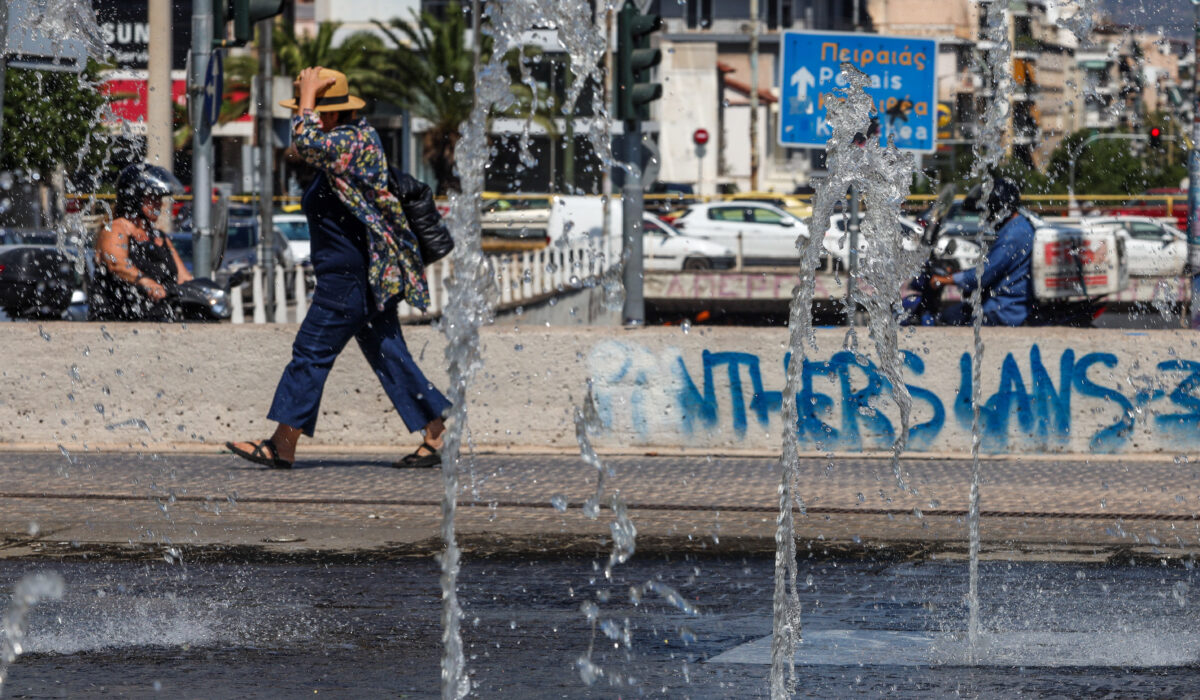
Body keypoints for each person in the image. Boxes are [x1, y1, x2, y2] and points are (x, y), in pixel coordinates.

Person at [226, 67, 450, 470]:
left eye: (309, 109)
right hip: (360, 277)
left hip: (349, 279)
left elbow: (305, 142)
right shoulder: (347, 143)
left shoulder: (351, 140)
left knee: (310, 353)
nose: (303, 114)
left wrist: (308, 94)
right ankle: (437, 434)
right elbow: (309, 146)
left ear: (329, 115)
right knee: (389, 354)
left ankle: (282, 444)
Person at [89, 164, 192, 321]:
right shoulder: (116, 228)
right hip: (116, 321)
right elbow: (118, 264)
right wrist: (147, 282)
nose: (159, 204)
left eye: (160, 198)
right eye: (152, 198)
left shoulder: (160, 237)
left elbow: (184, 277)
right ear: (134, 198)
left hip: (156, 319)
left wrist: (202, 291)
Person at [930, 176, 1035, 327]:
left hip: (1003, 308)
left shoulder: (1013, 234)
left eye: (988, 209)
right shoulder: (1018, 226)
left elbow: (984, 275)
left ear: (997, 207)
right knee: (953, 313)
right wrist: (955, 273)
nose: (986, 216)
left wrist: (946, 280)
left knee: (948, 318)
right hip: (1006, 304)